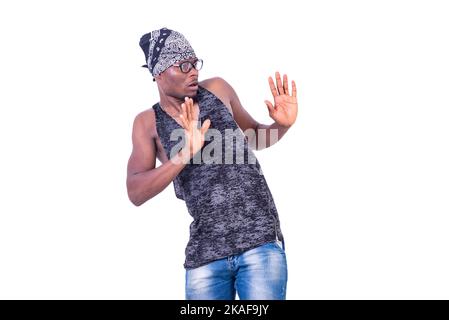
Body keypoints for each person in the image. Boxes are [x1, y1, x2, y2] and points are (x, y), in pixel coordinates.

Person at [126, 27, 298, 300]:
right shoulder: (147, 123)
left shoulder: (218, 89)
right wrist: (184, 154)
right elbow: (135, 191)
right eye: (182, 65)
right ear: (159, 73)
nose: (193, 70)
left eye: (195, 62)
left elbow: (254, 136)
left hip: (260, 242)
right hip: (205, 255)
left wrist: (281, 126)